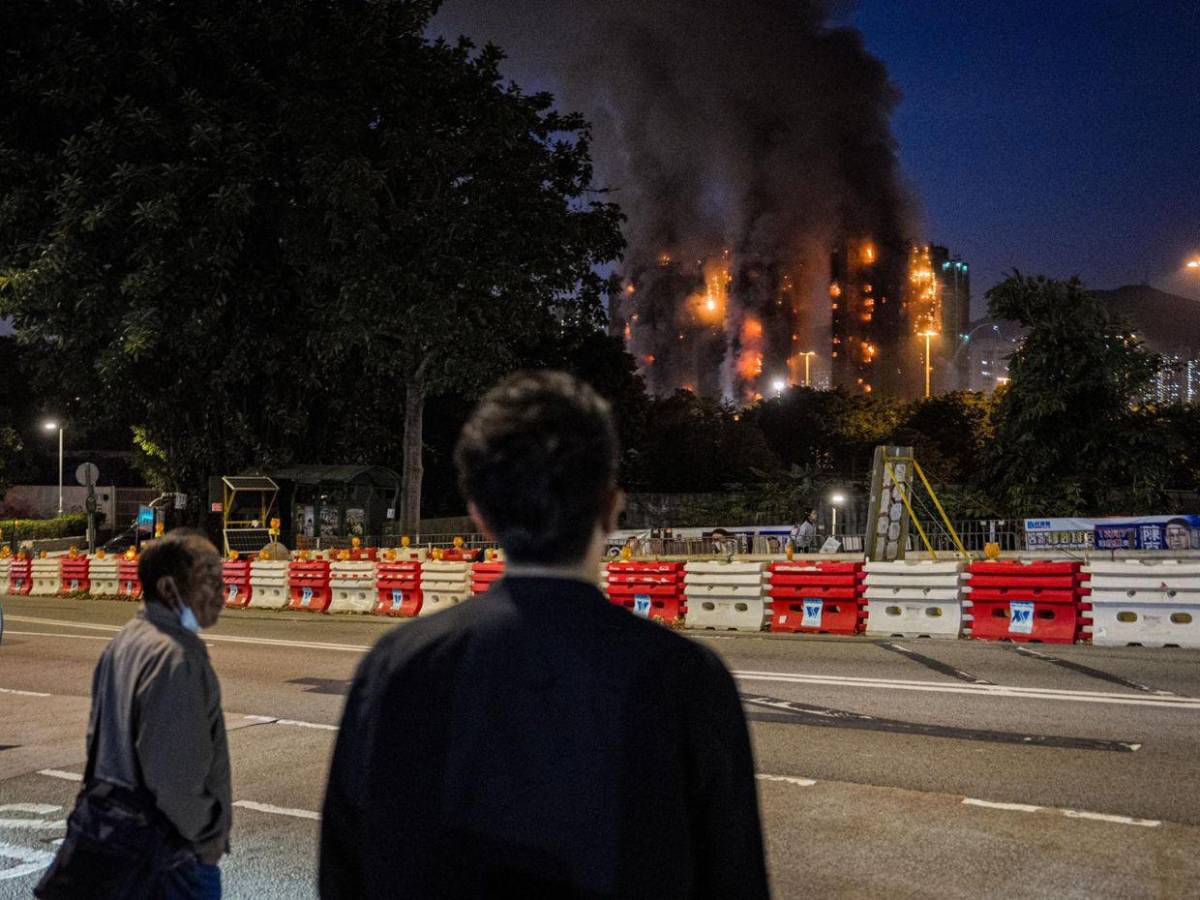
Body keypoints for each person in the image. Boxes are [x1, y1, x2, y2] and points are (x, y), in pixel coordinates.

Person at [320, 371, 768, 899]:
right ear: (610, 506)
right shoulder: (687, 680)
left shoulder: (396, 668)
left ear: (479, 517)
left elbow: (345, 875)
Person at [74, 529, 230, 897]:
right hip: (172, 857)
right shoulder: (175, 656)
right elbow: (174, 779)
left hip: (121, 842)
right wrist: (206, 839)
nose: (221, 592)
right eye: (209, 579)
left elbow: (96, 739)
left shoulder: (124, 640)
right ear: (168, 588)